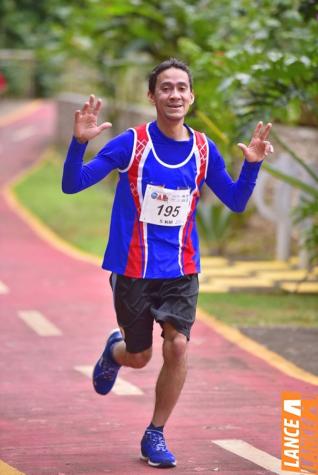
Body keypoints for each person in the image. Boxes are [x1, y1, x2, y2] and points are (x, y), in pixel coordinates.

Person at [62, 58, 273, 468]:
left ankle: (155, 433)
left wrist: (252, 165)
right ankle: (116, 351)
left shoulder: (203, 149)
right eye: (165, 88)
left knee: (177, 345)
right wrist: (78, 143)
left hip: (181, 268)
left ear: (191, 97)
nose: (174, 94)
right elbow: (72, 185)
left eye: (181, 88)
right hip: (132, 269)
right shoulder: (131, 144)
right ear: (152, 96)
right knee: (140, 357)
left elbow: (235, 200)